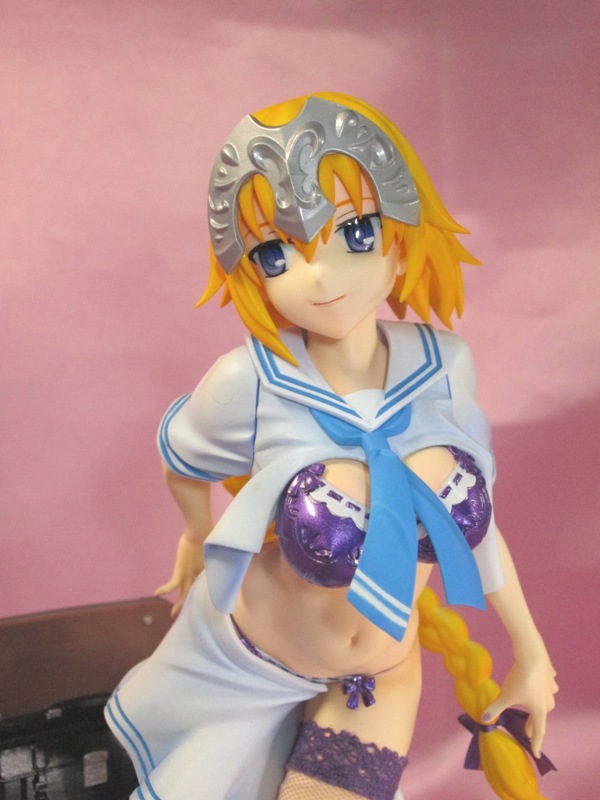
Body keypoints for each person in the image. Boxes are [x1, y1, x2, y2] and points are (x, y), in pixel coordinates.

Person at [105, 92, 557, 800]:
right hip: (243, 666)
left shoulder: (445, 366)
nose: (318, 276)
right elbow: (184, 462)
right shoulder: (251, 381)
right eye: (277, 252)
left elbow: (476, 524)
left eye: (355, 232)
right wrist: (196, 534)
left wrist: (531, 652)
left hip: (375, 678)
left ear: (403, 234)